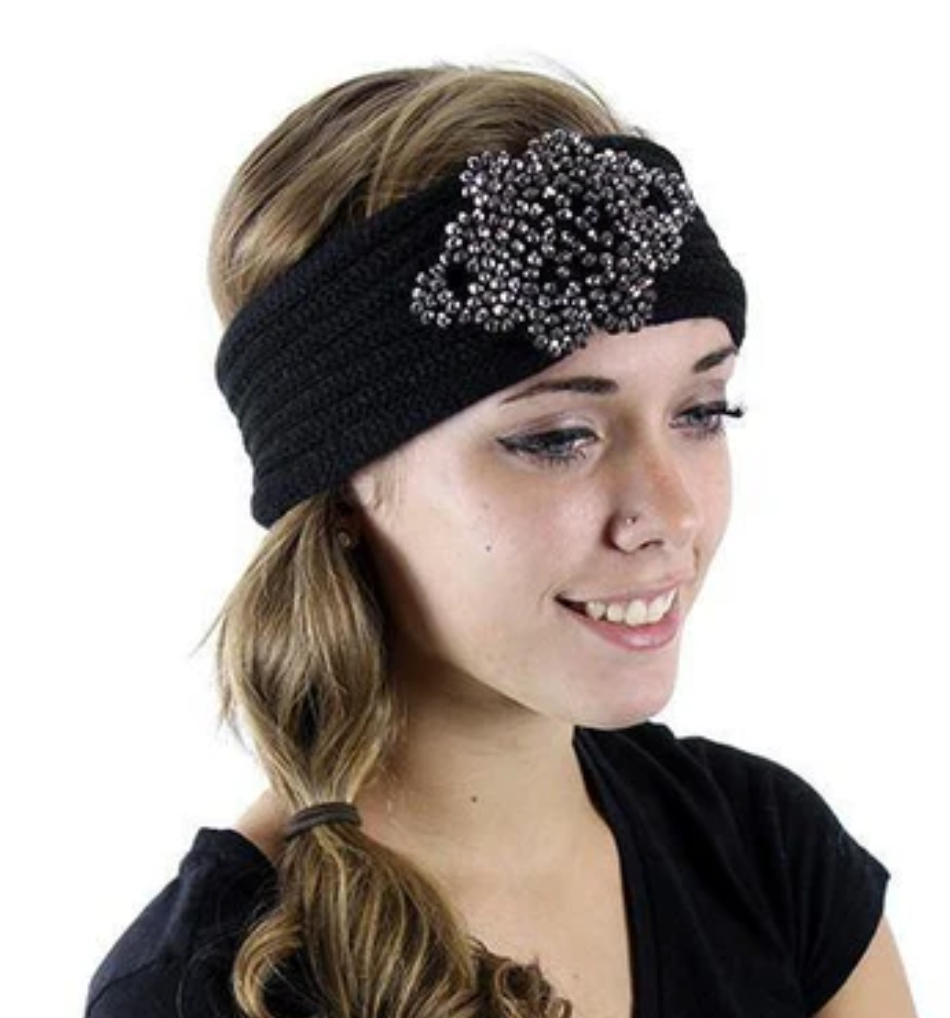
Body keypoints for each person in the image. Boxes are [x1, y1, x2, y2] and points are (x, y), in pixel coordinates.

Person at [84, 64, 917, 1018]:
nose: (671, 512)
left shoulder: (769, 855)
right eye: (557, 438)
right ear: (343, 489)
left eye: (700, 411)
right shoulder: (206, 992)